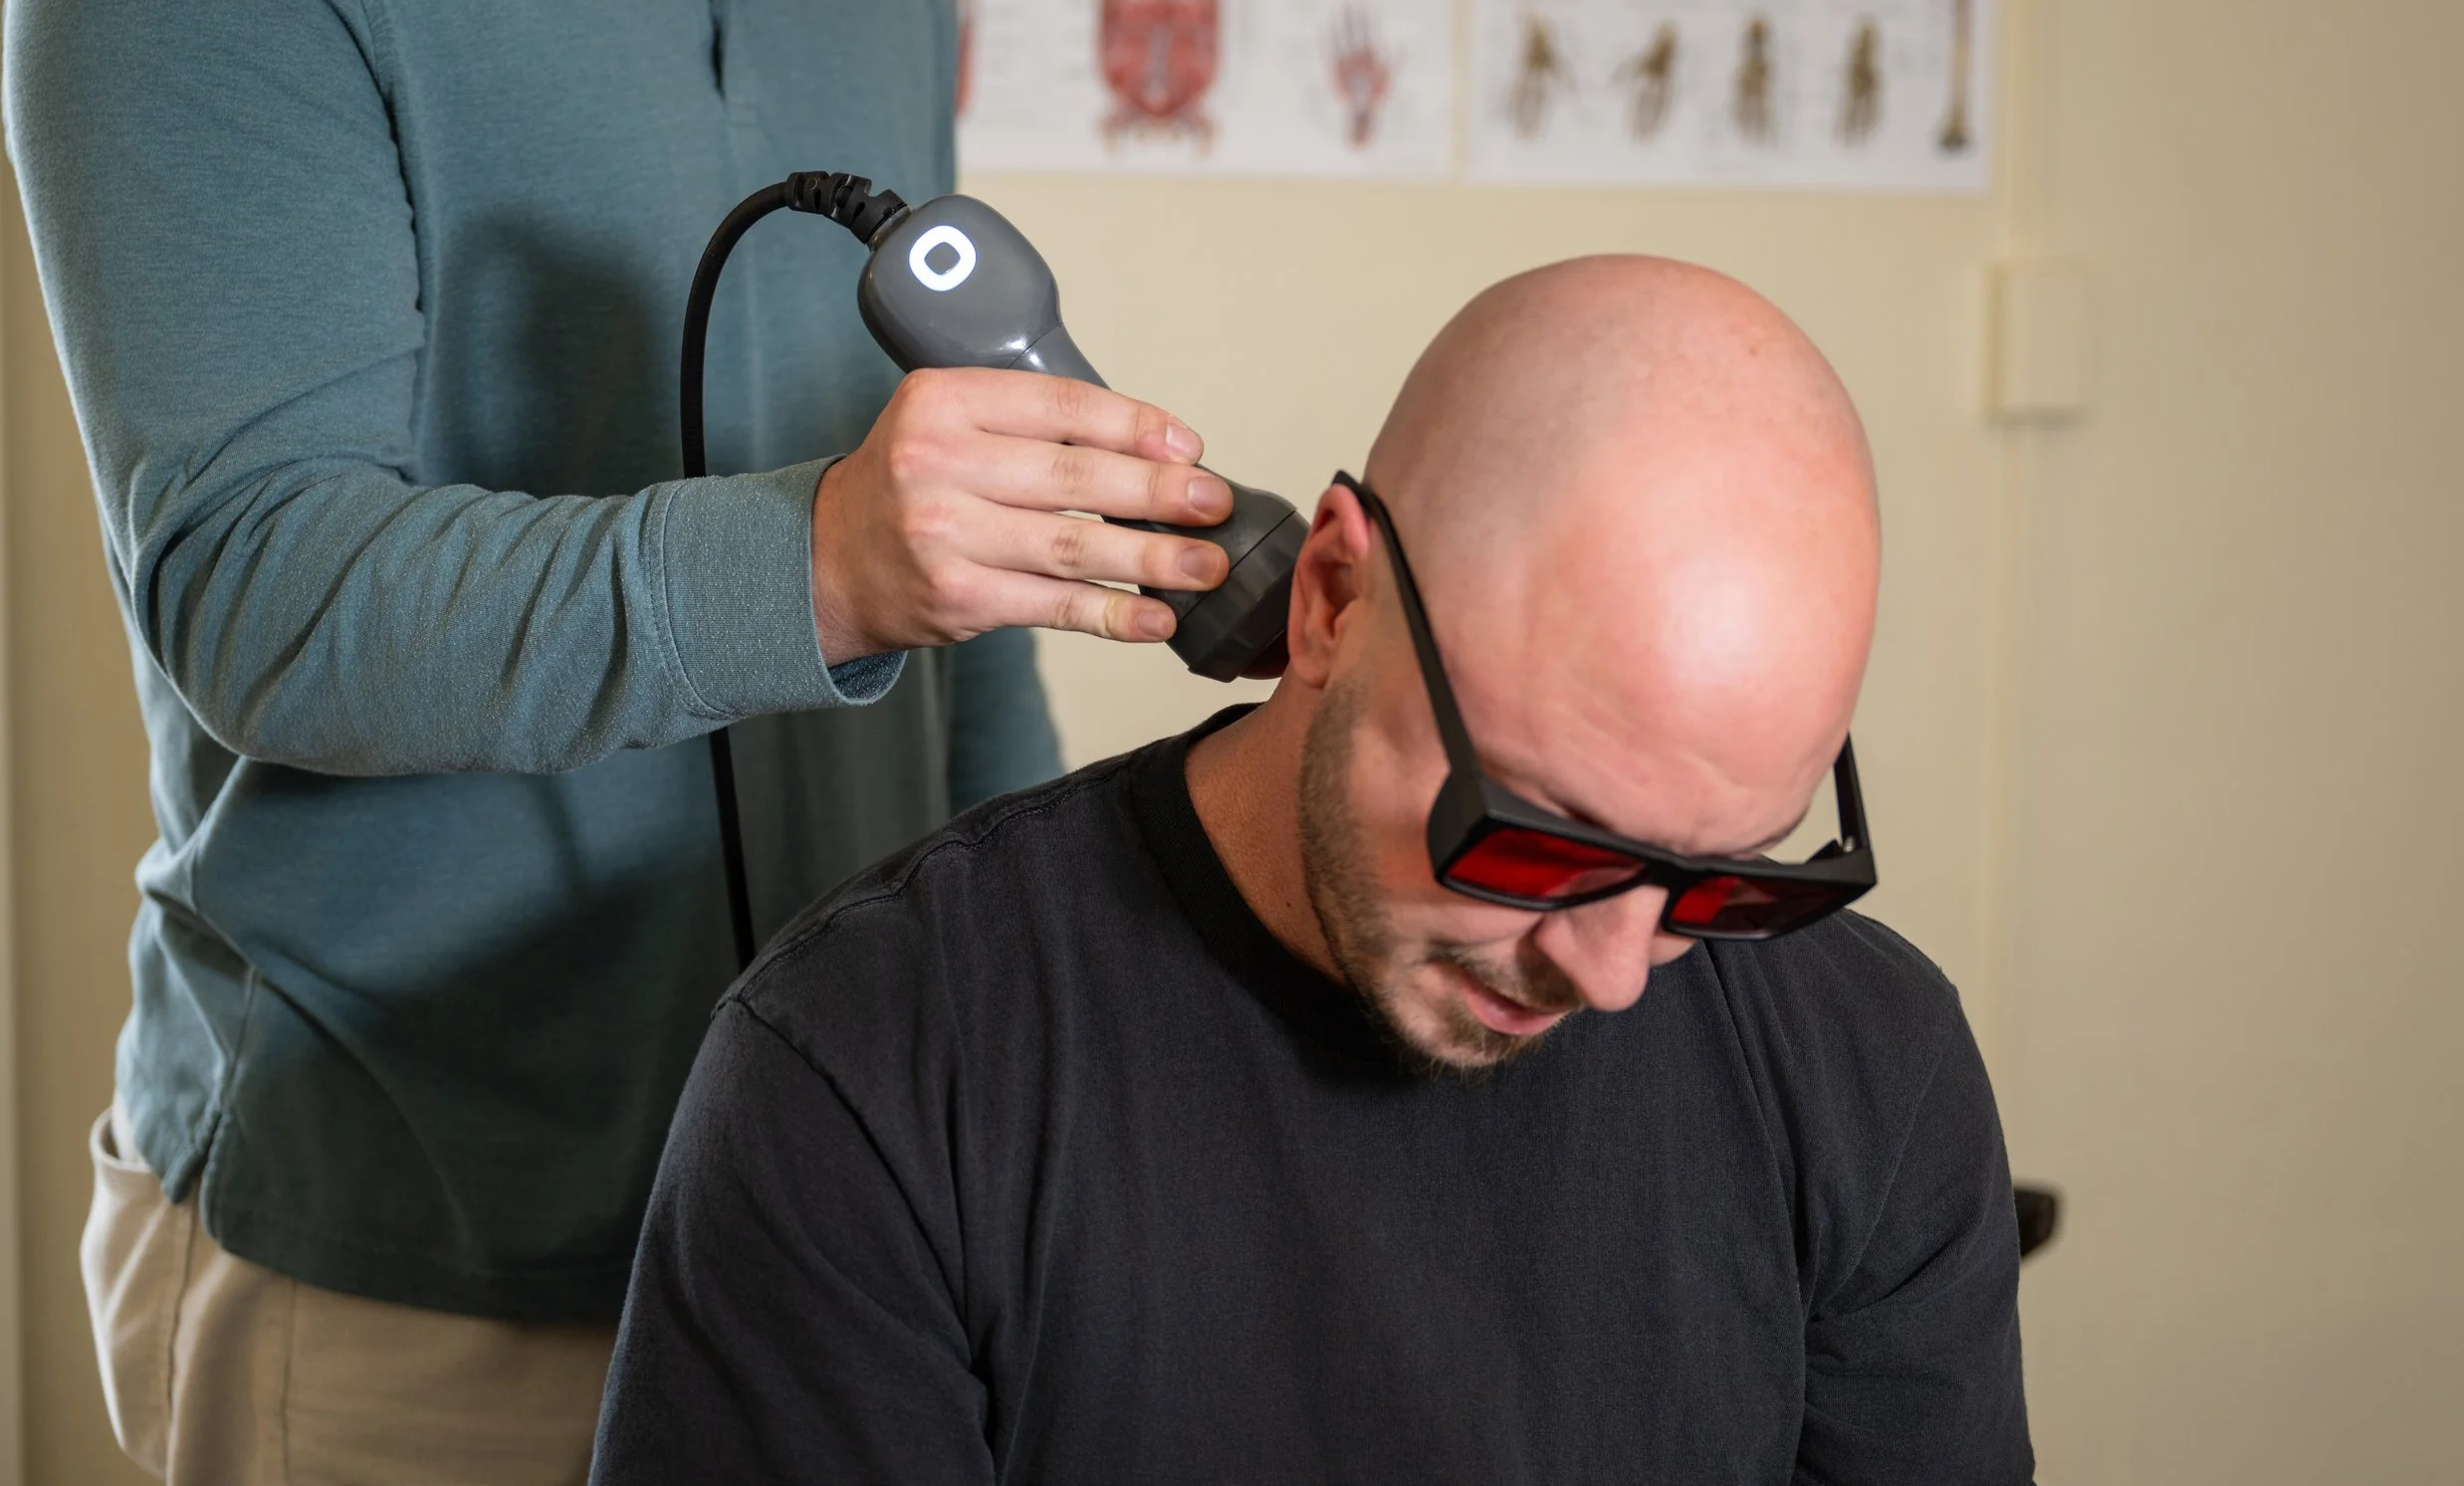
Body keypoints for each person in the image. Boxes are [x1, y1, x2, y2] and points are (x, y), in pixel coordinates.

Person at [4, 0, 1239, 1478]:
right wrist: (823, 565)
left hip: (850, 1222)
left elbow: (955, 557)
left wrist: (1037, 1040)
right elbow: (262, 593)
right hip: (412, 1260)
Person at [593, 257, 2035, 1484]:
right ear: (1335, 598)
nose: (1610, 974)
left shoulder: (1870, 1070)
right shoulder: (878, 1070)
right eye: (1540, 844)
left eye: (1727, 878)